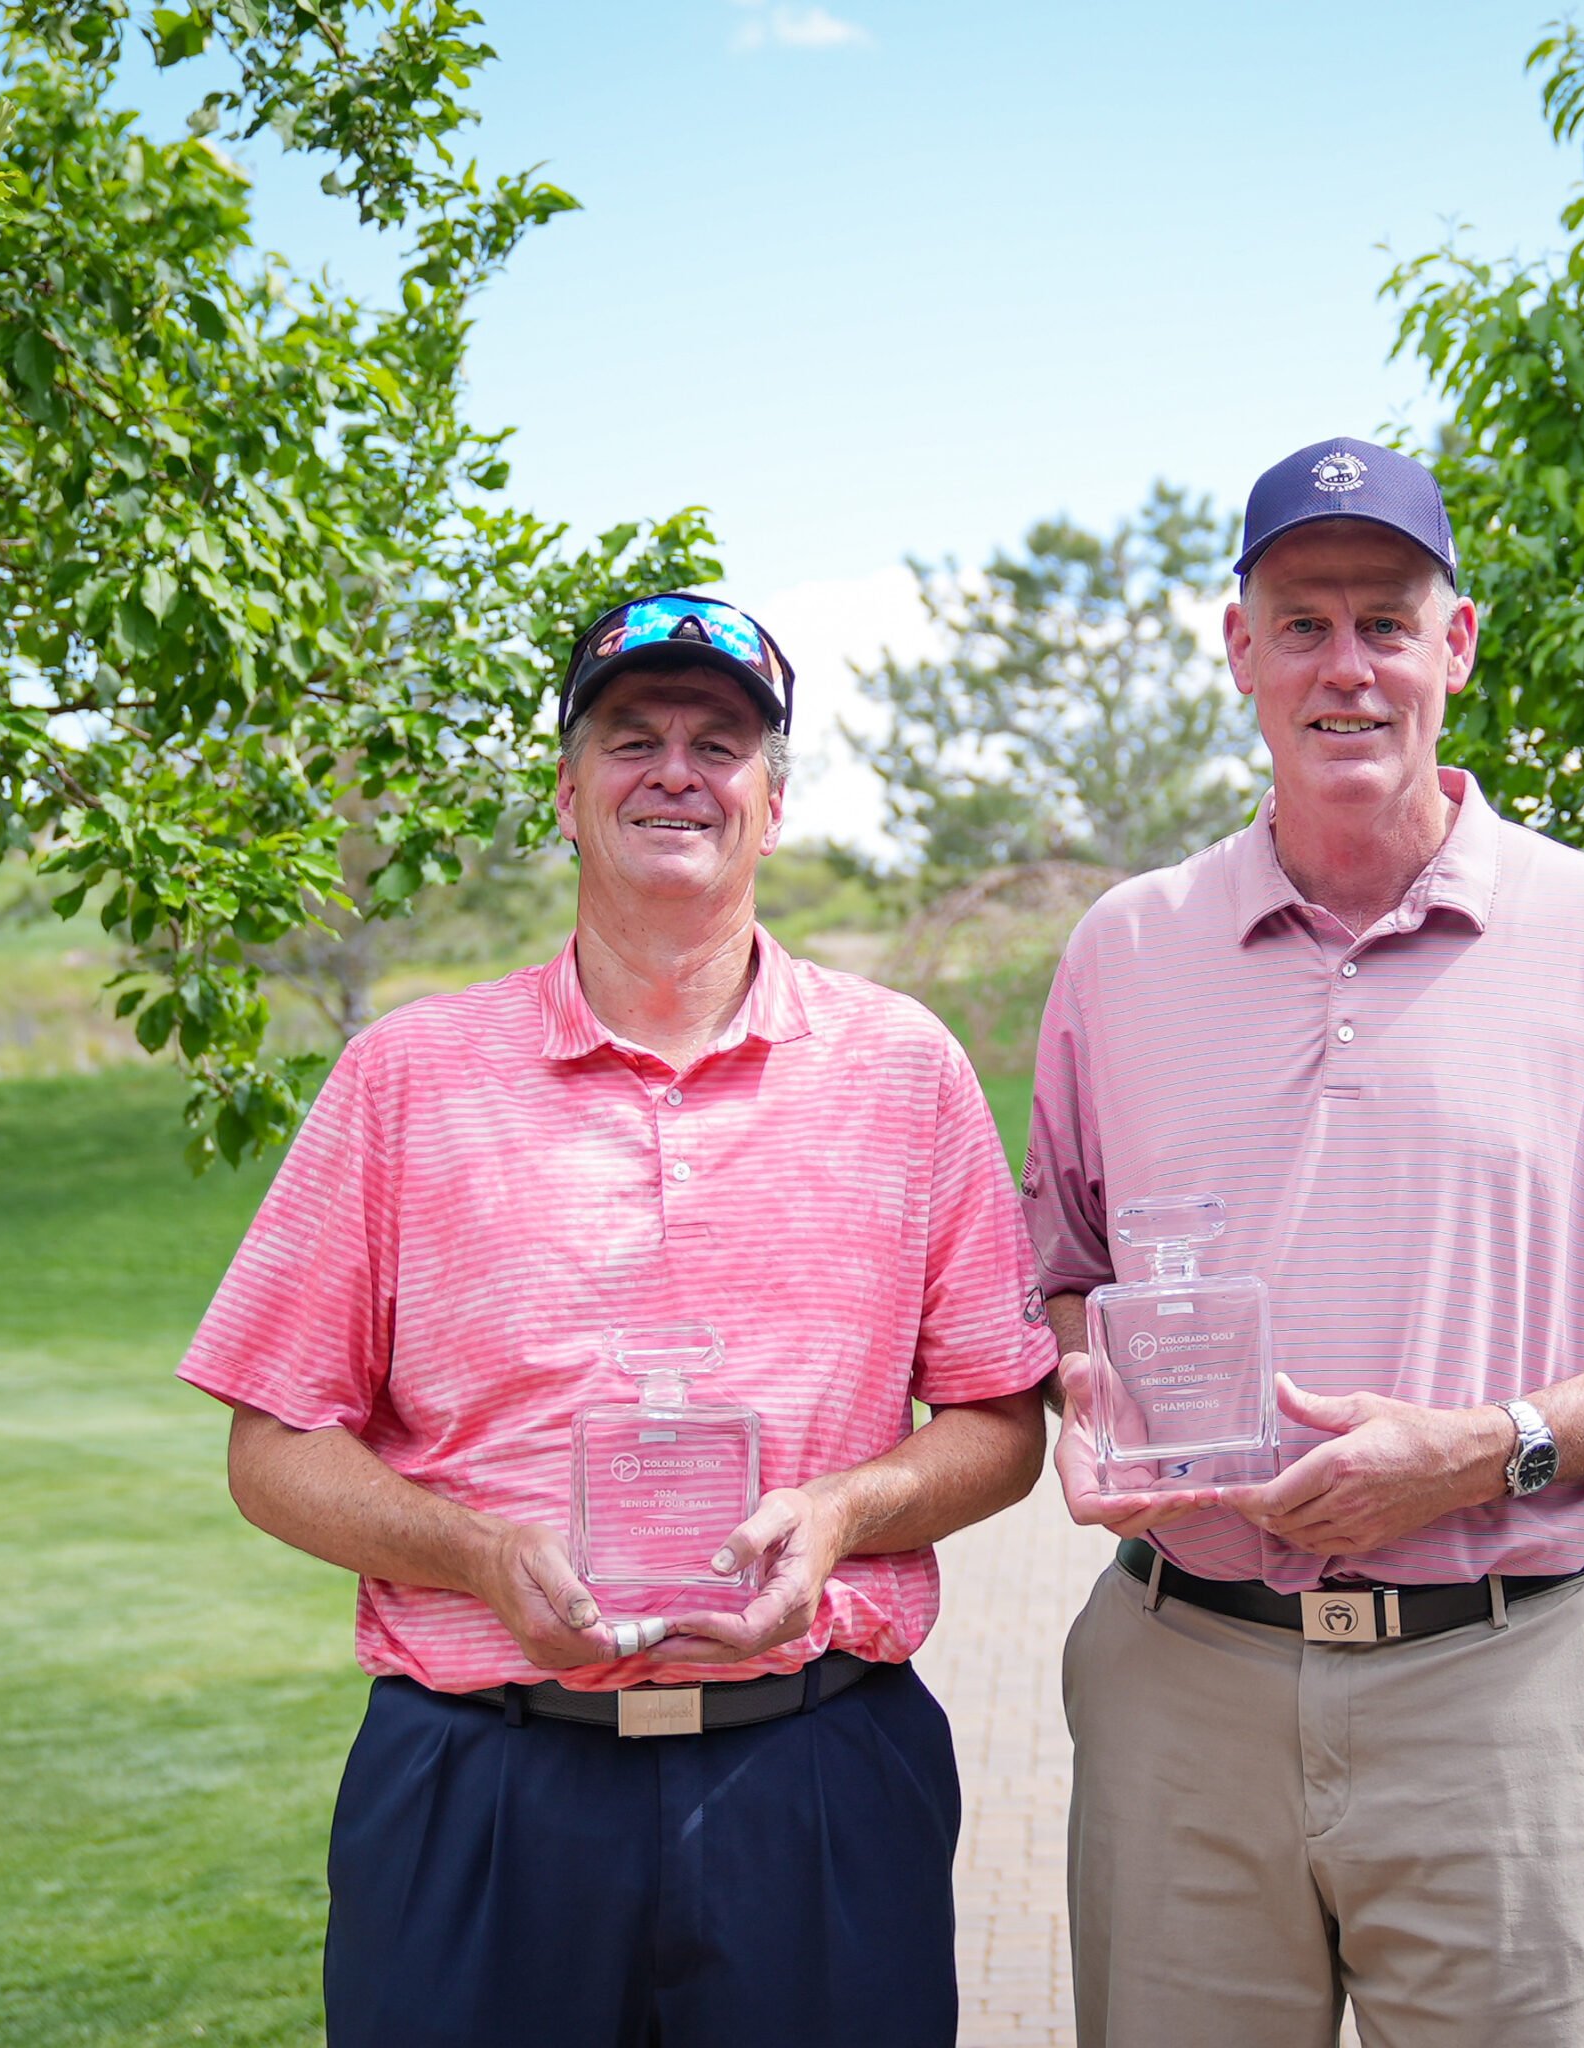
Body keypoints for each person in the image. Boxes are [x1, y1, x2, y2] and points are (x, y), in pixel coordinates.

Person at [1022, 439, 1584, 2048]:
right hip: (1184, 1691)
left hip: (1504, 1702)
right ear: (1239, 651)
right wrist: (1086, 1390)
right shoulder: (1125, 950)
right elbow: (1061, 1285)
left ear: (1456, 646)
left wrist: (1487, 1448)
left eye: (1386, 622)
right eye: (1303, 623)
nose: (1348, 666)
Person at [180, 590, 1055, 2048]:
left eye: (721, 743)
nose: (676, 772)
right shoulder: (408, 1077)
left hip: (814, 1774)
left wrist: (841, 1514)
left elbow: (1001, 1423)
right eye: (633, 737)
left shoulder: (904, 1070)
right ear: (567, 792)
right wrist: (477, 1554)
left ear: (774, 800)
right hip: (485, 1783)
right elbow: (271, 1448)